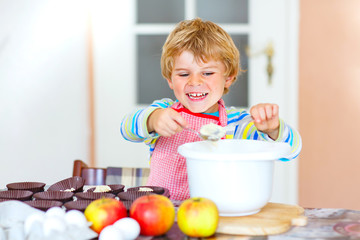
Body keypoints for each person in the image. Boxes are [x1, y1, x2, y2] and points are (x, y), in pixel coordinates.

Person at [120, 18, 301, 201]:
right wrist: (152, 120)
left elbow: (290, 151)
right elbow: (126, 129)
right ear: (170, 79)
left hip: (213, 216)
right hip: (159, 213)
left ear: (228, 78)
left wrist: (272, 129)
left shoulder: (237, 124)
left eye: (207, 73)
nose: (195, 82)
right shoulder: (164, 111)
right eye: (183, 74)